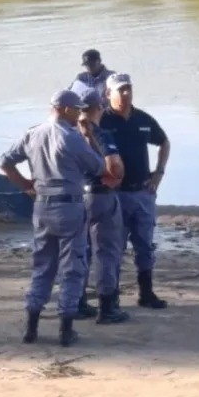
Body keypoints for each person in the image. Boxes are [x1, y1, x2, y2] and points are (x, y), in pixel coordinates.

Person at [0, 89, 111, 347]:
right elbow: (98, 167)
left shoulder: (32, 133)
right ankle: (65, 329)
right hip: (69, 206)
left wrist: (25, 185)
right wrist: (90, 137)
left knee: (42, 266)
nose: (79, 114)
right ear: (65, 109)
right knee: (72, 268)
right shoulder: (71, 137)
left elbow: (5, 162)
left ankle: (32, 327)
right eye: (77, 110)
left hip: (42, 205)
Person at [100, 73, 171, 309]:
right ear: (108, 93)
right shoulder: (102, 121)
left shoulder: (142, 118)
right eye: (120, 90)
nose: (126, 94)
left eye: (128, 89)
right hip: (114, 195)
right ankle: (111, 297)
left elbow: (164, 142)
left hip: (142, 193)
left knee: (145, 245)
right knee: (114, 248)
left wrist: (159, 173)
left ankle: (146, 293)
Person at [76, 89, 129, 324]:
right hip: (100, 195)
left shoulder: (68, 134)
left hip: (76, 197)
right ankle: (107, 307)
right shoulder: (100, 133)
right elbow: (115, 168)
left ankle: (76, 301)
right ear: (100, 107)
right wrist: (117, 175)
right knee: (106, 251)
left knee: (80, 251)